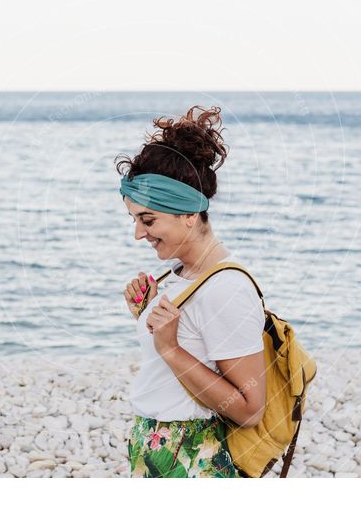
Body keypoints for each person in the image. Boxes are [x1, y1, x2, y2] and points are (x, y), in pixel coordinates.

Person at [114, 105, 267, 478]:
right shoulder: (181, 275)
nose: (138, 234)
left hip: (190, 459)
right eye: (135, 219)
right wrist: (148, 316)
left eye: (148, 220)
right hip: (155, 450)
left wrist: (170, 347)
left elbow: (250, 409)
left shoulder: (226, 288)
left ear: (187, 213)